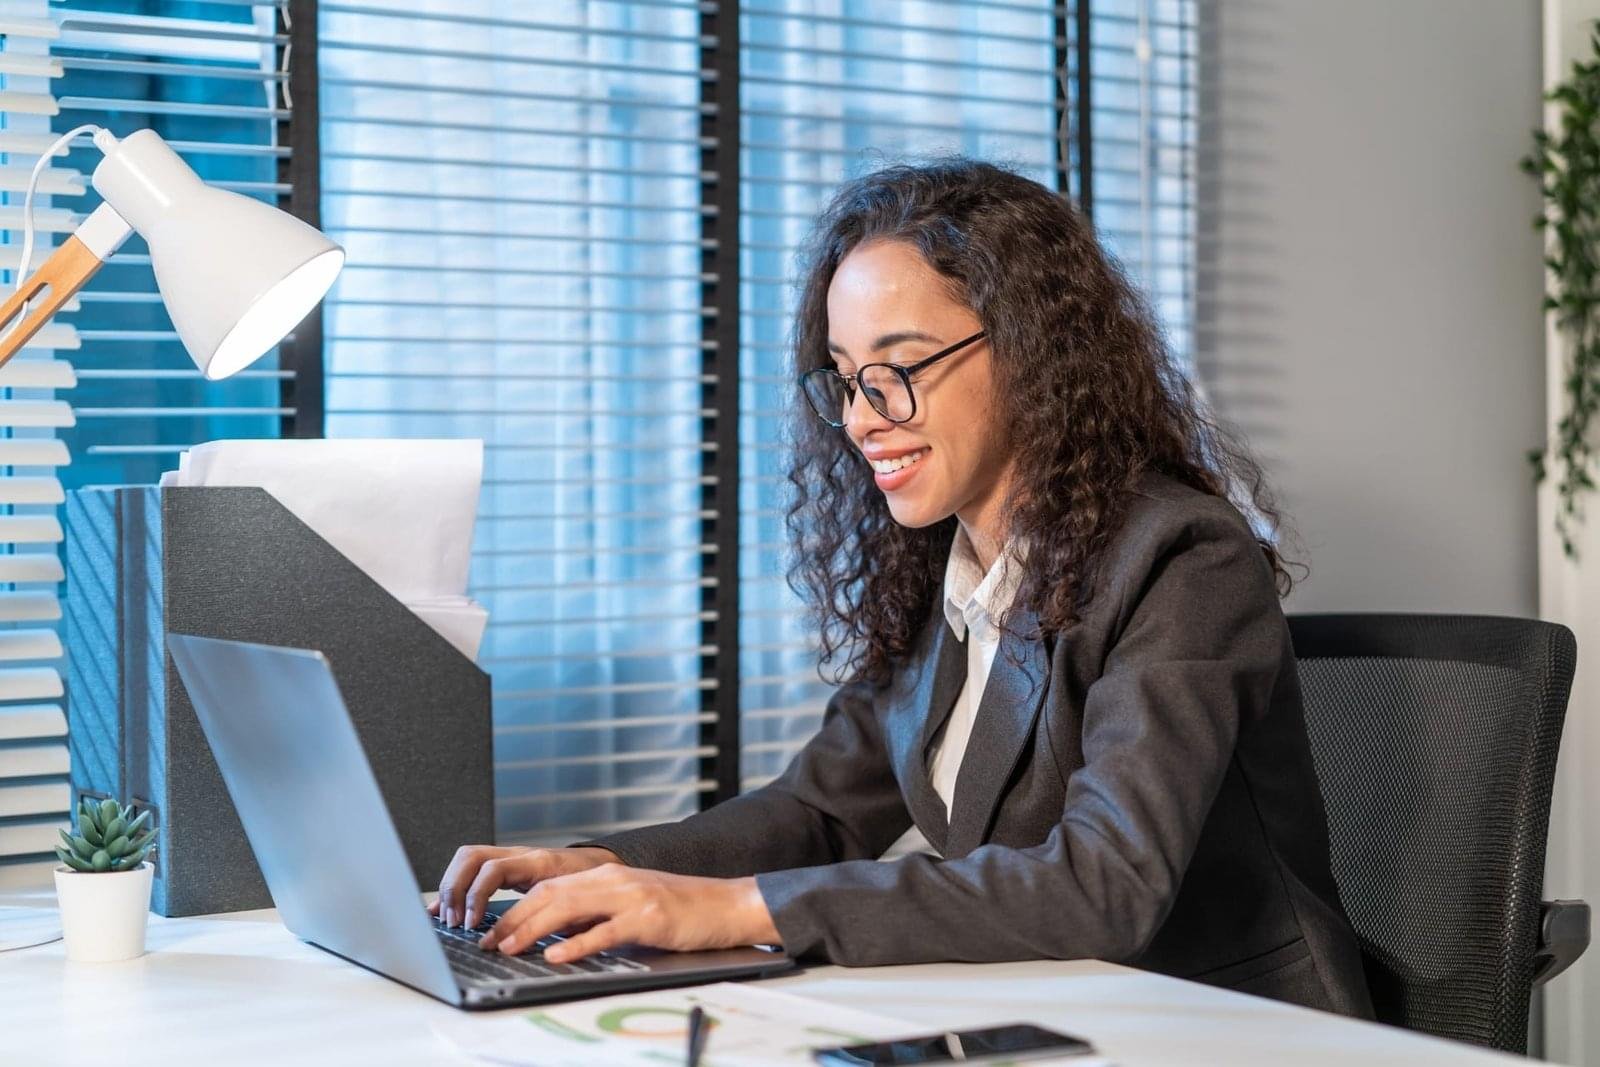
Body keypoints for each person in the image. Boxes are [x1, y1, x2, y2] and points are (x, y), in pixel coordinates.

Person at [429, 158, 1375, 1018]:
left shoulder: (1183, 561)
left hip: (1225, 1026)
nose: (861, 419)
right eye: (845, 378)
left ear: (1032, 350)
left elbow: (1107, 881)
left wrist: (728, 908)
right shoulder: (943, 572)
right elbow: (822, 811)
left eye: (899, 368)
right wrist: (608, 863)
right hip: (1051, 1015)